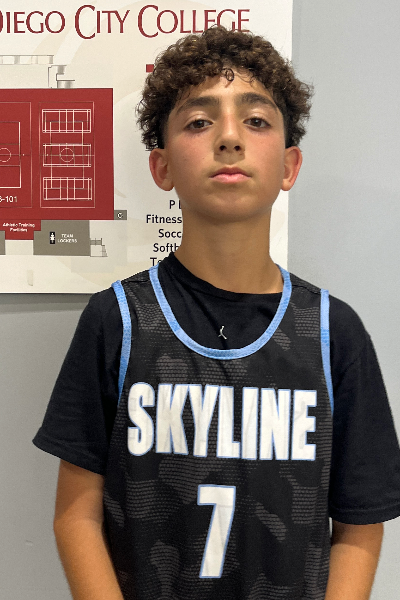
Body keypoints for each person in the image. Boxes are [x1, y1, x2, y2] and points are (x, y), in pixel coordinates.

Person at [33, 26, 400, 600]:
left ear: (289, 165)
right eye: (199, 122)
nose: (229, 137)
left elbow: (360, 527)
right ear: (161, 167)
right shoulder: (119, 321)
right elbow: (75, 517)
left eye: (256, 120)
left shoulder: (334, 334)